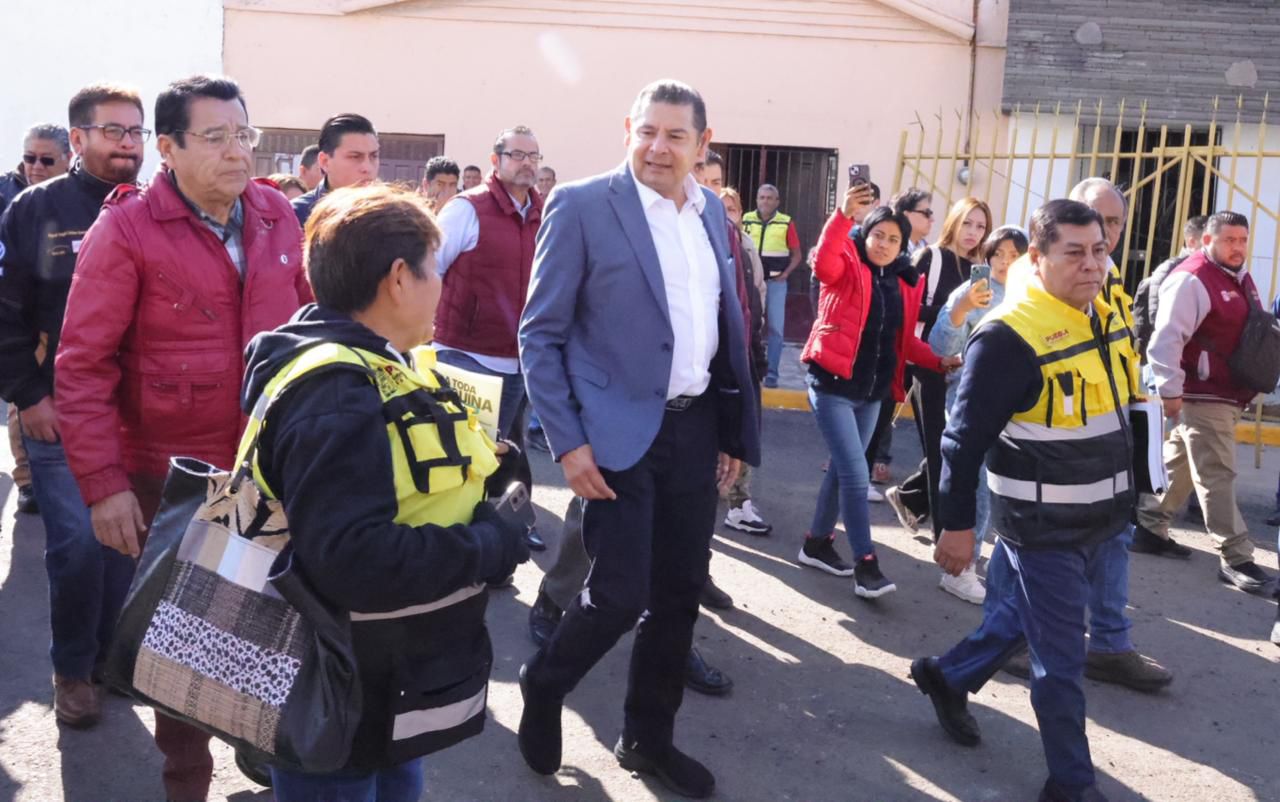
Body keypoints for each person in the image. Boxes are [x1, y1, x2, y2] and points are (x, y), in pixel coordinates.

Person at [54, 74, 311, 802]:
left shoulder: (275, 215)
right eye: (216, 137)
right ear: (166, 148)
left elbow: (308, 324)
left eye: (243, 134)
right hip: (173, 480)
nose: (236, 151)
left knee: (275, 624)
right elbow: (83, 366)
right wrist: (104, 487)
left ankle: (264, 750)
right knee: (183, 642)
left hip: (271, 468)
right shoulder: (126, 231)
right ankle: (186, 782)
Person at [242, 184, 530, 801]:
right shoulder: (337, 391)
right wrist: (488, 545)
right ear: (400, 278)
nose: (442, 287)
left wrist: (494, 470)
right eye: (436, 270)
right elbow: (354, 559)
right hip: (338, 689)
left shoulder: (381, 361)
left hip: (382, 680)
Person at [517, 79, 759, 799]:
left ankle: (648, 741)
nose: (657, 147)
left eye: (675, 135)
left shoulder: (710, 212)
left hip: (696, 427)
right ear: (628, 130)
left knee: (679, 594)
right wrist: (568, 443)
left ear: (702, 144)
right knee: (620, 594)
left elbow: (724, 329)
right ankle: (545, 681)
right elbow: (540, 334)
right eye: (646, 131)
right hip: (615, 434)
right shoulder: (582, 206)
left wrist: (732, 431)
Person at [911, 199, 1139, 802]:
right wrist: (957, 527)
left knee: (1021, 619)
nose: (1092, 264)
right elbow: (961, 441)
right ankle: (1072, 784)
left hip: (1103, 517)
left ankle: (946, 677)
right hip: (1043, 527)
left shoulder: (1102, 311)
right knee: (1059, 663)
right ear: (1037, 258)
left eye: (1100, 250)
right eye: (1075, 252)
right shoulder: (1008, 337)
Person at [0, 85, 146, 731]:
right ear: (79, 138)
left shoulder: (153, 207)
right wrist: (27, 395)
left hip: (136, 414)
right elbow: (6, 311)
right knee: (79, 546)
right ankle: (73, 672)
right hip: (58, 411)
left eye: (136, 132)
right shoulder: (36, 209)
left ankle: (113, 658)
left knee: (128, 544)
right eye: (114, 131)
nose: (128, 144)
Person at [997, 177, 1172, 693]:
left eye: (1115, 224)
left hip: (1107, 442)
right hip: (1048, 457)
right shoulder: (1036, 279)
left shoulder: (1109, 278)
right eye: (1098, 221)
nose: (1107, 235)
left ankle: (1110, 645)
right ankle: (1002, 642)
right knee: (1022, 545)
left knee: (1115, 538)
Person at [796, 184, 950, 597]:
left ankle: (816, 543)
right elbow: (824, 263)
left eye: (893, 239)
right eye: (877, 235)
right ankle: (866, 563)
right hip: (832, 385)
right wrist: (842, 215)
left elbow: (905, 341)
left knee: (843, 470)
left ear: (902, 246)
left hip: (872, 393)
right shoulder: (846, 263)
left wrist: (938, 360)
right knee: (855, 473)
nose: (883, 244)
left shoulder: (903, 282)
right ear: (865, 235)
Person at [1135, 211, 1276, 594]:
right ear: (1208, 240)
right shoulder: (1193, 278)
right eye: (1229, 240)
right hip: (1202, 392)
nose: (1238, 247)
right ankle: (1236, 556)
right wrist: (1170, 391)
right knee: (1217, 473)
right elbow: (1165, 340)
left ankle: (1149, 526)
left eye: (1242, 240)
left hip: (1225, 391)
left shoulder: (1237, 276)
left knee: (1181, 462)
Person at [433, 126, 546, 552]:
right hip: (465, 357)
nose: (527, 163)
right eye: (517, 155)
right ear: (495, 160)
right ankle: (452, 541)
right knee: (462, 456)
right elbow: (429, 269)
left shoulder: (544, 212)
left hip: (518, 360)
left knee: (503, 453)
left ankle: (500, 537)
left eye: (533, 156)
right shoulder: (467, 209)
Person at [925, 226, 1028, 604]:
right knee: (978, 484)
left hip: (1020, 405)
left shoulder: (1033, 294)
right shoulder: (970, 292)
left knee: (1009, 486)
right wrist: (962, 309)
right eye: (998, 254)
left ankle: (995, 561)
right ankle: (961, 570)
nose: (1005, 263)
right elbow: (940, 346)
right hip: (973, 399)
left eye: (1014, 255)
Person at [886, 197, 991, 538]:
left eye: (981, 226)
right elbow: (906, 308)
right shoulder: (931, 257)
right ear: (954, 222)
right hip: (926, 364)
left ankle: (910, 498)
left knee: (954, 450)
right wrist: (953, 309)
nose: (973, 232)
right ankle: (944, 536)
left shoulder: (979, 268)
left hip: (963, 370)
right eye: (968, 223)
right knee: (939, 450)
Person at [3, 123, 74, 518]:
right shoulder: (6, 195)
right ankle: (28, 480)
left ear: (68, 158)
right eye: (29, 158)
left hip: (65, 320)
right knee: (24, 403)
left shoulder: (78, 199)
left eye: (46, 160)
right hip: (22, 324)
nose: (36, 166)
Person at [866, 187, 935, 488]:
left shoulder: (922, 254)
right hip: (864, 365)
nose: (931, 219)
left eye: (893, 240)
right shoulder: (888, 259)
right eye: (925, 212)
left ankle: (870, 462)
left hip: (902, 353)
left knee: (884, 408)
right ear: (906, 214)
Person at [743, 183, 802, 387]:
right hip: (751, 283)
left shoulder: (786, 223)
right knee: (749, 325)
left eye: (769, 198)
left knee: (776, 330)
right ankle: (749, 370)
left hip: (776, 284)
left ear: (777, 202)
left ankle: (772, 374)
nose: (765, 201)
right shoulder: (746, 219)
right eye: (762, 197)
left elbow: (797, 255)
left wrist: (785, 274)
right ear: (756, 200)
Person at [292, 113, 379, 226]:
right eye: (355, 157)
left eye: (374, 156)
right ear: (325, 161)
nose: (367, 167)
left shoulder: (390, 216)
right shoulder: (295, 216)